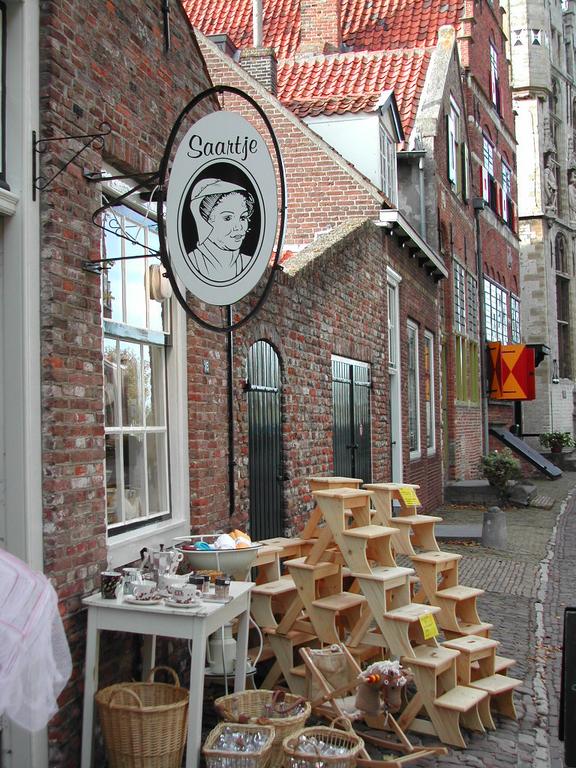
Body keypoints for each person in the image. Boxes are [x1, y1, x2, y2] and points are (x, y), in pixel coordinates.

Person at [187, 178, 255, 282]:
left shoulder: (248, 264)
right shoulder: (191, 263)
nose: (238, 227)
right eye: (228, 218)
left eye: (242, 218)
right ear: (205, 221)